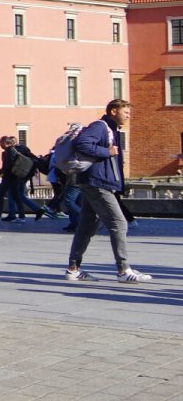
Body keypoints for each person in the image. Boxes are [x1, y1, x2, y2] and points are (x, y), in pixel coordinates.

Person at [66, 99, 149, 284]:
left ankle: (73, 268)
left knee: (87, 226)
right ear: (113, 111)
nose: (128, 116)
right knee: (119, 223)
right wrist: (107, 152)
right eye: (125, 112)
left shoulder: (112, 129)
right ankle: (123, 270)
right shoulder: (100, 126)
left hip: (97, 182)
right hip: (97, 183)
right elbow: (82, 144)